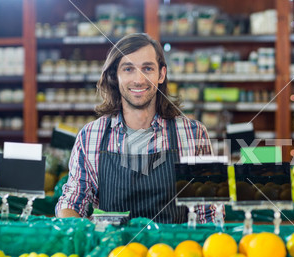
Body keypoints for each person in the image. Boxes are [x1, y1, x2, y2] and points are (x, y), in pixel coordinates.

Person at [56, 33, 215, 223]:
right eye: (128, 69)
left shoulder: (193, 133)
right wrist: (74, 228)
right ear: (116, 75)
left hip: (173, 250)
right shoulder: (90, 136)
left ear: (161, 74)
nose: (138, 80)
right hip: (113, 250)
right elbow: (72, 202)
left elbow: (207, 212)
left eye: (147, 68)